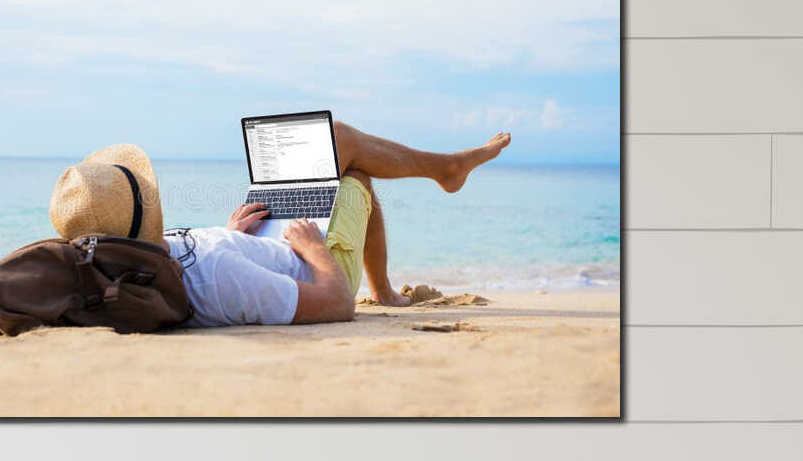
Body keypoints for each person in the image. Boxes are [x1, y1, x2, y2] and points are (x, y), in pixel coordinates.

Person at [46, 123, 511, 328]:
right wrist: (313, 250)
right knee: (354, 170)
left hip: (252, 242)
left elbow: (199, 258)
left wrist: (228, 233)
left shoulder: (135, 263)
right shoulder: (221, 278)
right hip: (319, 268)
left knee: (336, 146)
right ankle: (443, 176)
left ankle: (445, 169)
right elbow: (333, 306)